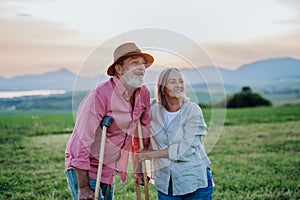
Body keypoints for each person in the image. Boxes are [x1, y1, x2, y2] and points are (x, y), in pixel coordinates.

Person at [65, 42, 154, 200]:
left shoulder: (144, 94)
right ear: (119, 69)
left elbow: (141, 135)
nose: (141, 67)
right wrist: (84, 186)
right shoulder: (100, 95)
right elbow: (81, 140)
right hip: (86, 168)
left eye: (142, 63)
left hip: (108, 168)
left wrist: (139, 169)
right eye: (134, 63)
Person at [138, 67, 214, 199]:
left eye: (181, 81)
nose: (179, 85)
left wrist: (151, 154)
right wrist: (139, 170)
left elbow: (186, 149)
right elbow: (139, 132)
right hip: (166, 183)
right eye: (173, 82)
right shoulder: (153, 111)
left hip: (194, 181)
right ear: (162, 87)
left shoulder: (192, 110)